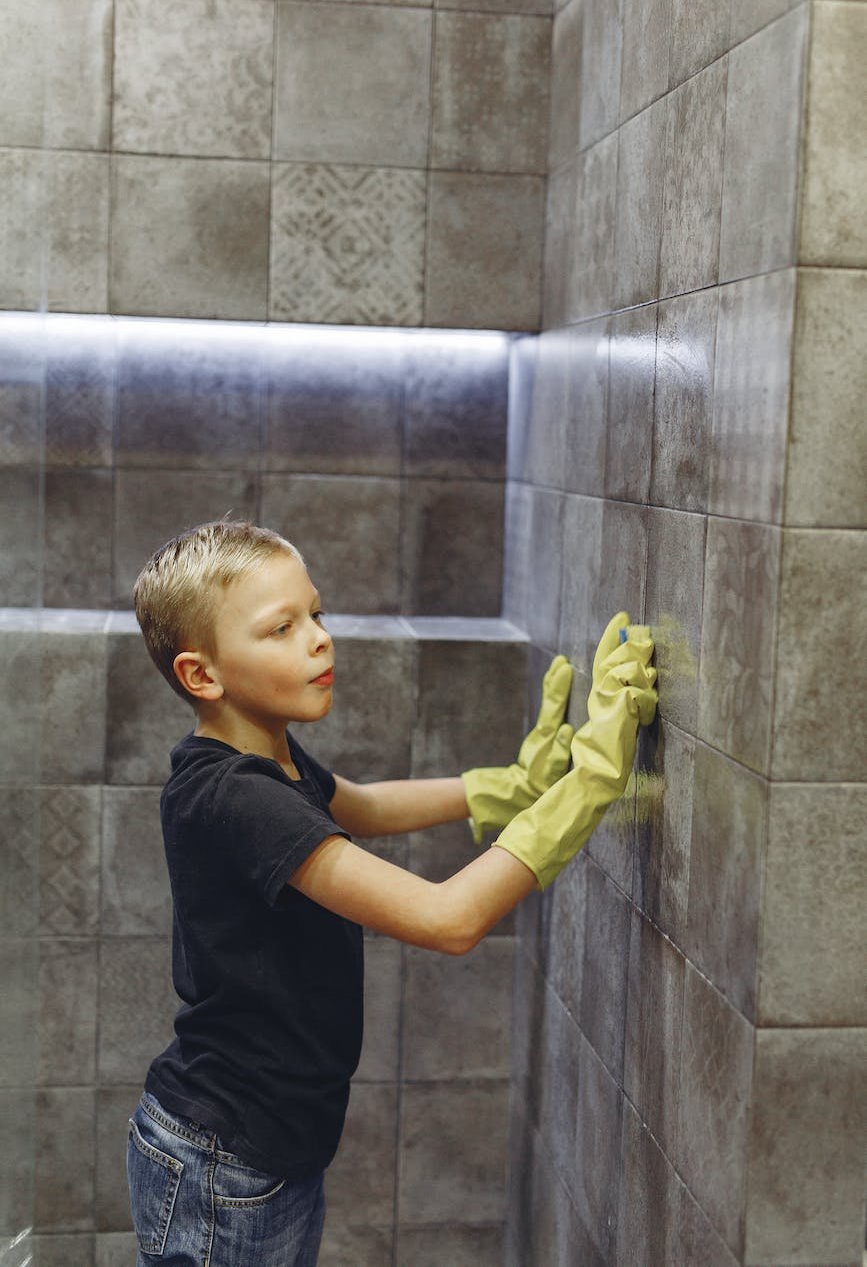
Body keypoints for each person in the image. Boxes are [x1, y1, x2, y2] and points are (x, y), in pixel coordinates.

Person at [127, 520, 657, 1266]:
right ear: (202, 675)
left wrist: (511, 789)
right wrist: (590, 780)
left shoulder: (265, 760)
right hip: (223, 1161)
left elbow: (365, 806)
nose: (318, 639)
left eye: (316, 613)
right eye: (281, 628)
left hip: (252, 1147)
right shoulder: (234, 797)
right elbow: (447, 920)